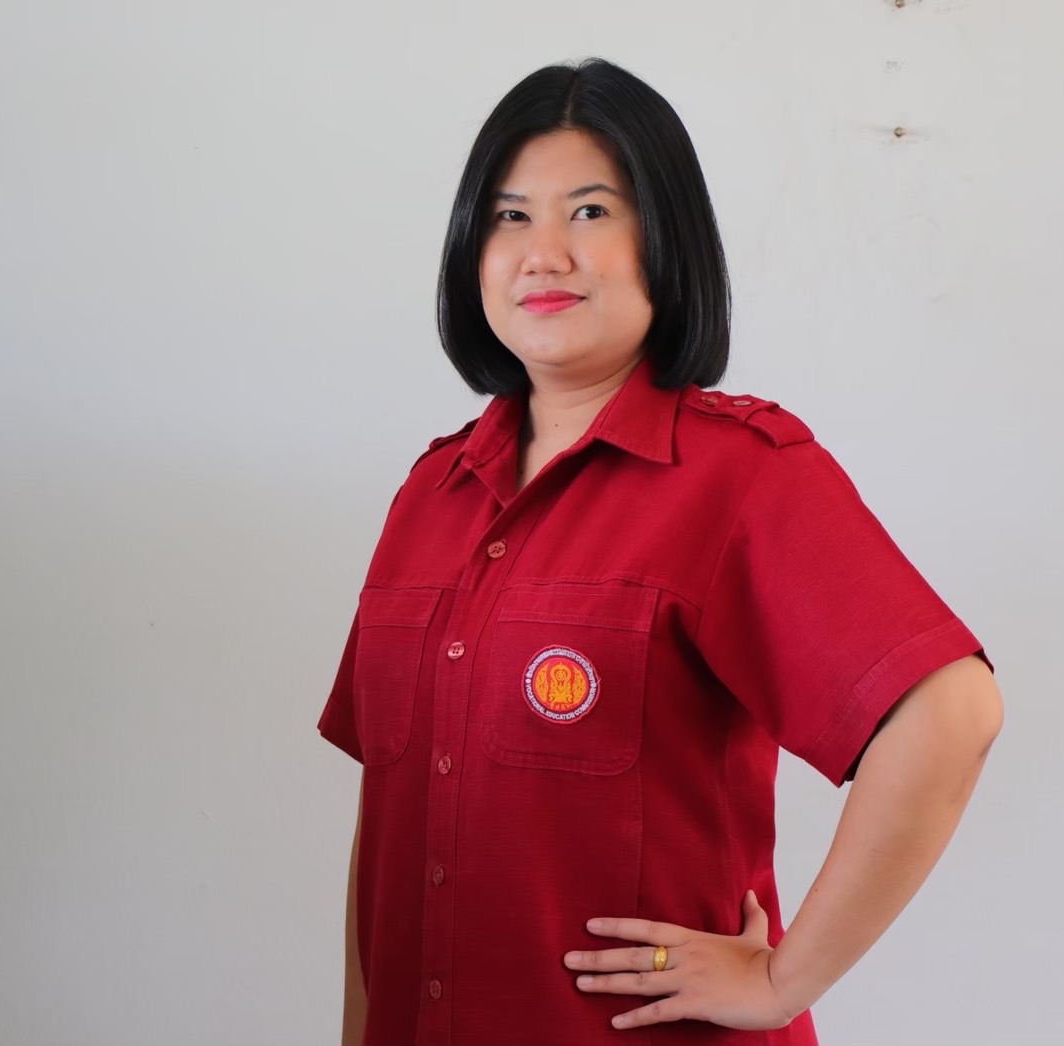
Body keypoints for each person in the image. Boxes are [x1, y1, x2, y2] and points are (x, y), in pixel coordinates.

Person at [317, 58, 1003, 1046]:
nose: (543, 253)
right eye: (509, 217)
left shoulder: (740, 475)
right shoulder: (431, 494)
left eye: (590, 212)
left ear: (664, 237)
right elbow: (386, 821)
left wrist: (781, 981)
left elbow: (948, 711)